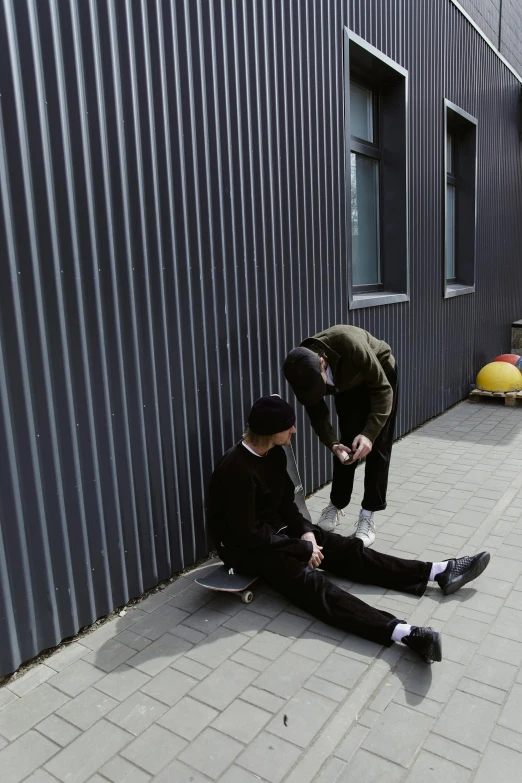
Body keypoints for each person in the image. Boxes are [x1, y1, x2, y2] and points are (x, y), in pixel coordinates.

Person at [206, 395, 491, 664]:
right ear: (270, 431)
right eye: (288, 426)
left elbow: (286, 505)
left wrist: (306, 531)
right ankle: (403, 633)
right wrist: (300, 548)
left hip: (273, 533)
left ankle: (437, 571)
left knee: (346, 549)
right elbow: (247, 534)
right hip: (242, 549)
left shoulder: (276, 454)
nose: (294, 429)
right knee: (312, 584)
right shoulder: (236, 470)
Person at [283, 324, 398, 547]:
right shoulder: (301, 367)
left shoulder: (349, 342)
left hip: (380, 376)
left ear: (323, 363)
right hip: (346, 385)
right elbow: (317, 415)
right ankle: (336, 504)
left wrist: (369, 434)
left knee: (376, 446)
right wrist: (333, 444)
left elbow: (382, 389)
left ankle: (368, 514)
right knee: (346, 446)